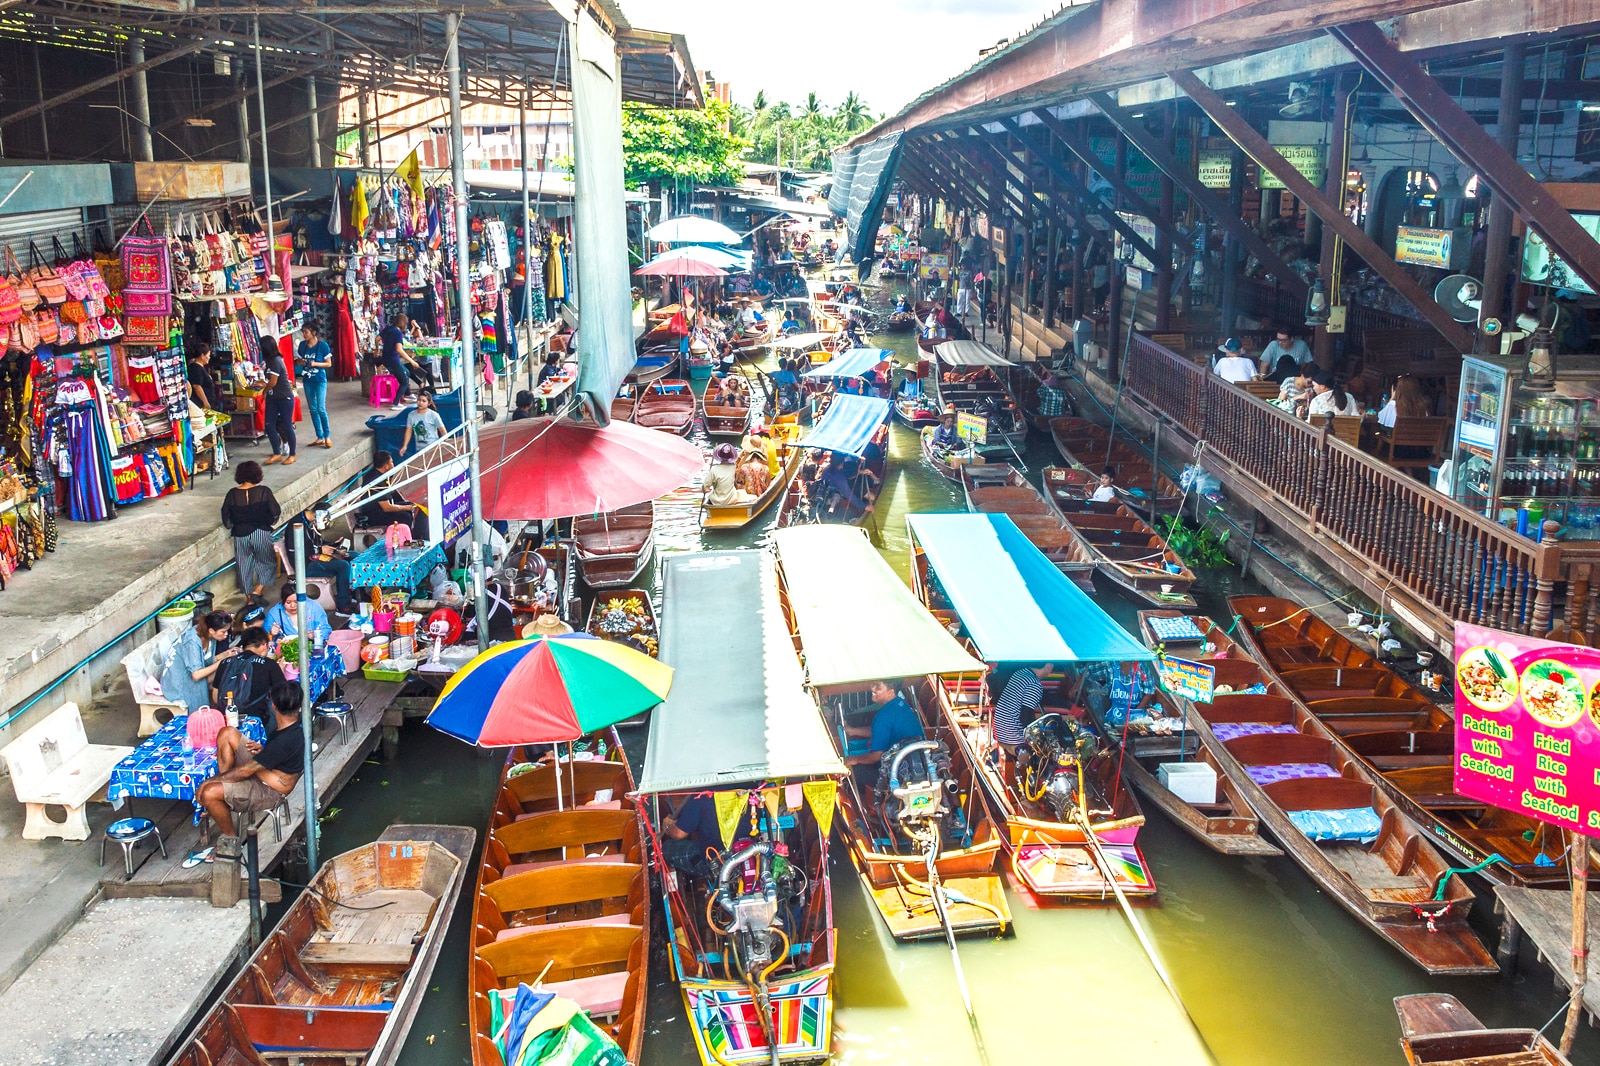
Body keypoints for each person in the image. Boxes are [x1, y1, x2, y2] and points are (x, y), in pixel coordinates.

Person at [198, 682, 306, 840]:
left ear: (274, 706)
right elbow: (277, 755)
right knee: (227, 733)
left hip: (271, 790)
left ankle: (230, 840)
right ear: (299, 707)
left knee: (208, 792)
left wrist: (207, 783)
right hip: (266, 770)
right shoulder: (290, 729)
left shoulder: (284, 740)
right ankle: (226, 792)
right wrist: (264, 752)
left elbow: (245, 771)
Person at [221, 461, 280, 597]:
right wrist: (269, 522)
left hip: (240, 534)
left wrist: (233, 525)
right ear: (257, 474)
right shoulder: (264, 491)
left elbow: (225, 515)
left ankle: (249, 598)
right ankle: (258, 590)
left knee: (243, 567)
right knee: (267, 562)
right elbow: (275, 511)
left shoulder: (232, 493)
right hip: (261, 531)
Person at [160, 610, 238, 714]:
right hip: (178, 685)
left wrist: (226, 655)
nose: (226, 635)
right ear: (211, 630)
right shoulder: (192, 642)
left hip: (190, 675)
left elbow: (205, 660)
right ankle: (216, 711)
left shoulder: (209, 636)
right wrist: (221, 662)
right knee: (223, 669)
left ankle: (222, 708)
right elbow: (196, 675)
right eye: (223, 632)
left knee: (225, 667)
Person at [212, 627, 286, 730]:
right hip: (258, 723)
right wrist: (281, 670)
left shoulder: (225, 663)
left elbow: (215, 696)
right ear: (264, 644)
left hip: (227, 722)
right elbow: (283, 694)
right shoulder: (269, 665)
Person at [289, 504, 356, 613]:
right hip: (305, 564)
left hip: (316, 558)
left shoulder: (311, 522)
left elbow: (317, 543)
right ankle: (343, 605)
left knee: (354, 556)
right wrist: (320, 551)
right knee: (343, 565)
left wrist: (334, 545)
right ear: (317, 514)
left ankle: (354, 594)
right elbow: (297, 550)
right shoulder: (296, 525)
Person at [662, 793, 750, 877]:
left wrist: (668, 827)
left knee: (667, 848)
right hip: (751, 856)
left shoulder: (702, 794)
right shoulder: (754, 788)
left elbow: (678, 834)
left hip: (714, 861)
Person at [993, 663, 1053, 768]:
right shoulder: (1035, 685)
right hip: (1013, 739)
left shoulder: (1020, 673)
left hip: (999, 732)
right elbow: (1025, 718)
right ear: (1048, 667)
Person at [356, 451, 421, 536]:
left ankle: (417, 535)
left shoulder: (382, 474)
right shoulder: (376, 482)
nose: (393, 465)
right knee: (406, 516)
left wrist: (409, 503)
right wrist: (408, 508)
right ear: (386, 466)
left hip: (386, 506)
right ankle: (405, 539)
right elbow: (387, 508)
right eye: (392, 462)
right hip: (375, 515)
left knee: (413, 506)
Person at [260, 336, 297, 464]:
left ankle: (292, 454)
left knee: (287, 425)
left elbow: (273, 382)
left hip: (283, 397)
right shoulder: (270, 361)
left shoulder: (276, 361)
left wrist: (264, 390)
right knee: (269, 424)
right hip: (273, 397)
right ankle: (277, 452)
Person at [295, 324, 334, 448]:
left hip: (320, 380)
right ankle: (319, 436)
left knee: (321, 408)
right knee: (312, 409)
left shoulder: (323, 346)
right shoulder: (302, 345)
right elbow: (298, 361)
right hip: (307, 380)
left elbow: (329, 364)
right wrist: (301, 362)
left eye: (306, 332)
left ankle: (327, 436)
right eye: (303, 332)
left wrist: (315, 363)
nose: (304, 334)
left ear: (314, 333)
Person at [265, 581, 333, 644]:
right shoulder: (274, 613)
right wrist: (271, 633)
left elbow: (326, 629)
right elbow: (263, 639)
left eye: (296, 602)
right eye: (288, 602)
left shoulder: (313, 607)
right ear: (282, 601)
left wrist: (315, 635)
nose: (292, 606)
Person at [1102, 661, 1156, 730]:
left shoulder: (1142, 666)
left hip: (1136, 711)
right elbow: (1087, 672)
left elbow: (1150, 690)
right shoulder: (1109, 665)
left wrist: (1136, 712)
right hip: (1115, 712)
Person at [399, 390, 447, 456]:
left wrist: (447, 443)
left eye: (424, 401)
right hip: (419, 449)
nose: (420, 403)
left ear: (429, 403)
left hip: (434, 448)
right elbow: (409, 431)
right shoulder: (411, 415)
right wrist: (405, 446)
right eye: (419, 400)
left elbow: (442, 430)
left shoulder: (434, 415)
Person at [703, 443, 749, 507]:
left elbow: (705, 487)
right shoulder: (734, 467)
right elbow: (740, 466)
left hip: (716, 501)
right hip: (731, 500)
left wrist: (704, 489)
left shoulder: (714, 469)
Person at [187, 341, 222, 410]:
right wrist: (205, 402)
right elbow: (197, 386)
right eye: (208, 355)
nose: (209, 357)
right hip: (201, 404)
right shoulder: (196, 368)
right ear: (202, 356)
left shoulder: (200, 367)